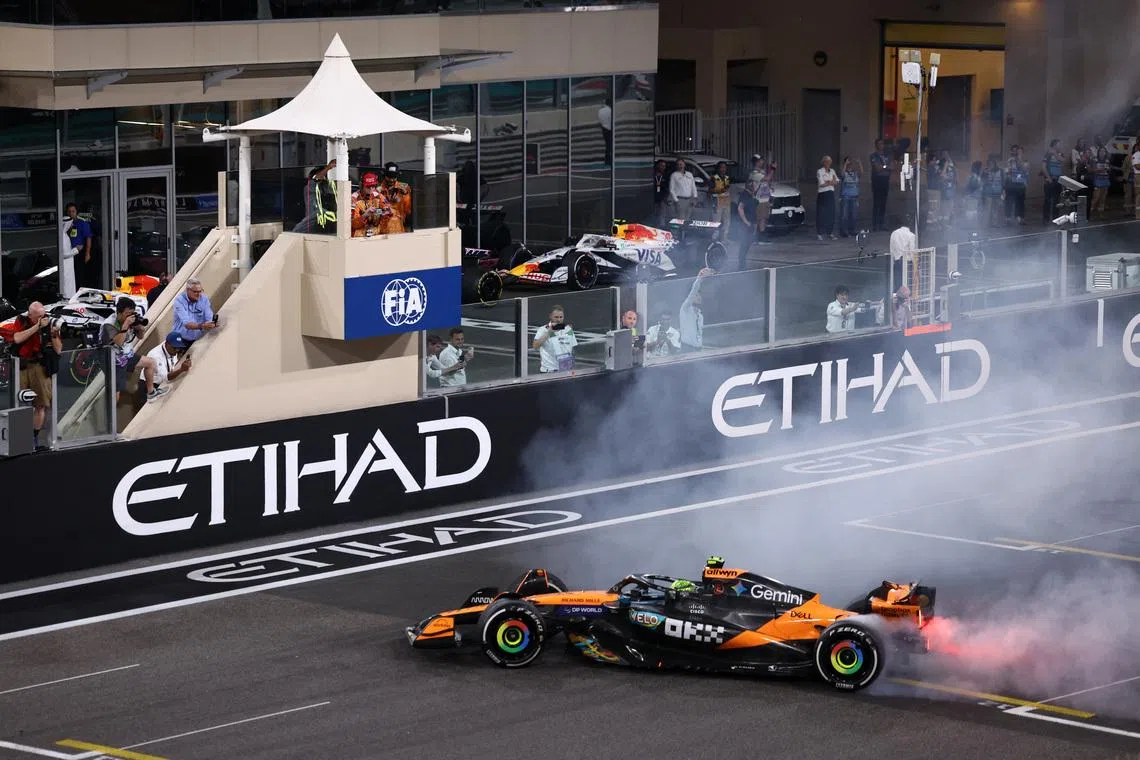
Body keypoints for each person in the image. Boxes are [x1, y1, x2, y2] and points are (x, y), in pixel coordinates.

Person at [1, 301, 61, 449]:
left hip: (39, 366)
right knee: (19, 402)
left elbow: (58, 349)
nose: (42, 318)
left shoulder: (49, 323)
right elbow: (17, 338)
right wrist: (37, 327)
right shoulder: (21, 320)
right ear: (30, 315)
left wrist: (54, 334)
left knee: (40, 405)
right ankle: (17, 439)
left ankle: (33, 438)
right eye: (38, 316)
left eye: (43, 315)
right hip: (21, 365)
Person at [101, 297, 160, 403]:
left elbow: (141, 337)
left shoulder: (131, 321)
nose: (130, 317)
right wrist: (125, 325)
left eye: (132, 313)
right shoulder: (109, 324)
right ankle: (110, 413)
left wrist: (140, 328)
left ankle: (151, 393)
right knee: (115, 395)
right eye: (127, 314)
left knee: (150, 362)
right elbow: (118, 342)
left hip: (125, 356)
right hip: (112, 360)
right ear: (119, 313)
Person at [138, 330, 191, 403]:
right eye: (174, 348)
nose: (176, 350)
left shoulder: (171, 349)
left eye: (178, 347)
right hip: (148, 386)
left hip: (160, 382)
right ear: (167, 344)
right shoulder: (156, 356)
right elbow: (166, 378)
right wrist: (181, 369)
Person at [172, 278, 215, 349]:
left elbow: (209, 317)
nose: (198, 294)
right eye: (195, 292)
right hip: (180, 339)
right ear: (187, 290)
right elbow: (187, 324)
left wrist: (211, 323)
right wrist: (202, 326)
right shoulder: (179, 301)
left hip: (197, 340)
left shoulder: (204, 299)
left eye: (200, 291)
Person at [533, 305, 577, 373]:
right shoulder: (543, 330)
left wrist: (572, 369)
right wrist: (548, 333)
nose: (559, 320)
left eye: (561, 317)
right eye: (556, 317)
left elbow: (572, 349)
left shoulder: (568, 329)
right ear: (550, 316)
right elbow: (535, 346)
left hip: (566, 370)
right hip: (549, 371)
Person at [351, 172, 391, 238]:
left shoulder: (378, 195)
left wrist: (377, 211)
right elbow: (353, 224)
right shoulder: (354, 198)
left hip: (375, 230)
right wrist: (365, 215)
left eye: (373, 186)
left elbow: (389, 211)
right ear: (362, 186)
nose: (371, 189)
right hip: (360, 232)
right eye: (368, 187)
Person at [379, 162, 412, 234]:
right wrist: (385, 211)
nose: (391, 180)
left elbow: (408, 210)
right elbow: (375, 211)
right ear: (384, 175)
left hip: (399, 228)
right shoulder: (378, 190)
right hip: (382, 229)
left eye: (394, 176)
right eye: (389, 176)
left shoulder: (405, 188)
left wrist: (405, 195)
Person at [816, 156, 839, 241]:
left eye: (829, 162)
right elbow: (821, 184)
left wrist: (829, 182)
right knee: (821, 213)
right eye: (826, 162)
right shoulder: (820, 171)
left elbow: (837, 181)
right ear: (823, 162)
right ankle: (820, 233)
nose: (828, 163)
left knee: (831, 213)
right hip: (822, 194)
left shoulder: (832, 171)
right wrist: (831, 182)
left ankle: (830, 232)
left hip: (830, 193)